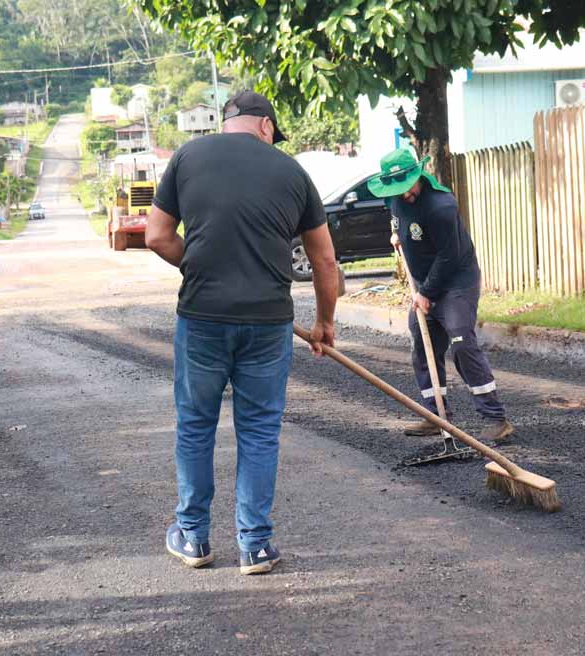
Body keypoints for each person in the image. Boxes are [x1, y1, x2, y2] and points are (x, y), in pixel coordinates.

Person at [146, 91, 339, 575]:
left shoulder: (187, 156)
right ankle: (255, 545)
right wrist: (323, 323)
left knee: (196, 425)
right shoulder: (292, 171)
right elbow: (325, 261)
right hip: (267, 323)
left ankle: (192, 538)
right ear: (267, 127)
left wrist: (197, 268)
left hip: (203, 316)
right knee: (258, 431)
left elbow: (156, 236)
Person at [367, 148, 513, 442]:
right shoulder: (395, 198)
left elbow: (450, 256)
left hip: (457, 280)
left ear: (417, 176)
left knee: (461, 341)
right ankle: (436, 416)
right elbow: (400, 221)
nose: (403, 195)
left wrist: (426, 293)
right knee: (422, 344)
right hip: (424, 281)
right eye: (396, 190)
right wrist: (397, 234)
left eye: (406, 187)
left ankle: (495, 418)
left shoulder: (440, 206)